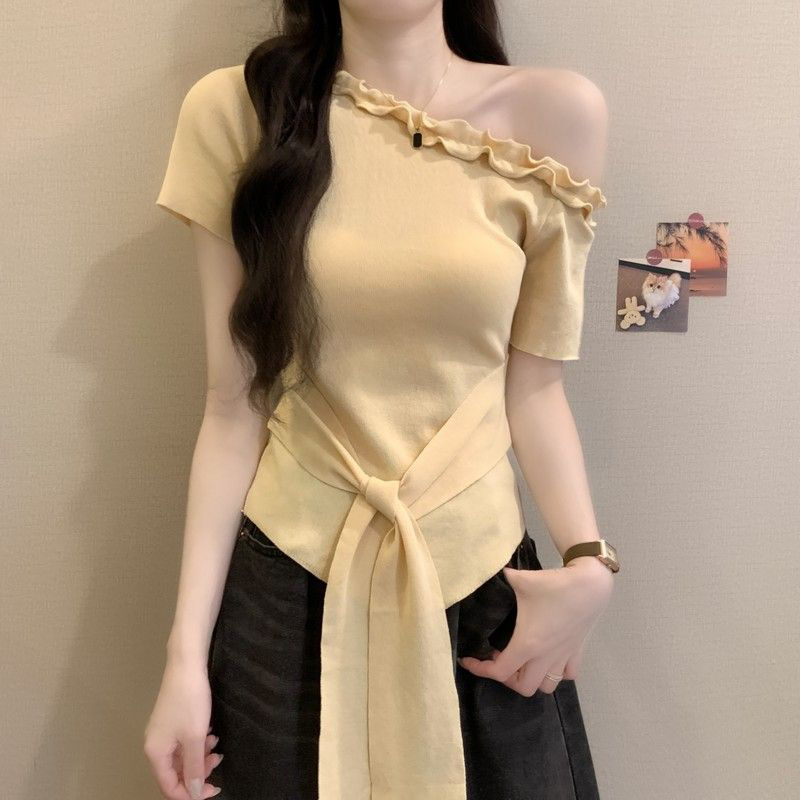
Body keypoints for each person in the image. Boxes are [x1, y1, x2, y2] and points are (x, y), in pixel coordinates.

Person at [144, 2, 617, 798]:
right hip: (286, 588)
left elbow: (535, 388)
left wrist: (589, 563)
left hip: (485, 584)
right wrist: (183, 659)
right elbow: (232, 404)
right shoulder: (237, 111)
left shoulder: (556, 115)